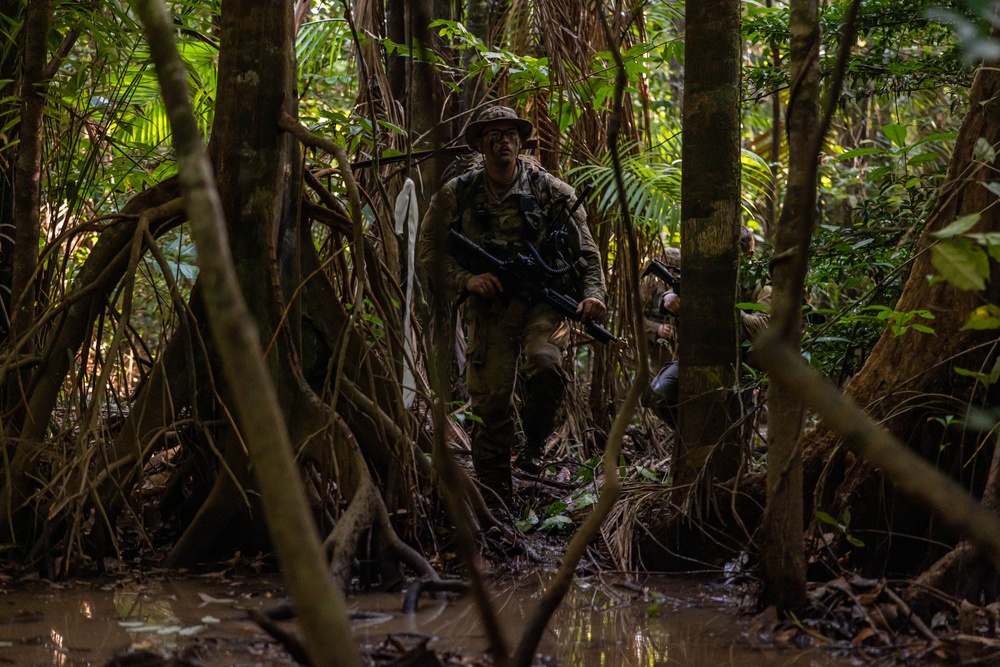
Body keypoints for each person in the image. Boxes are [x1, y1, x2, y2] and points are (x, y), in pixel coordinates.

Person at [417, 106, 608, 513]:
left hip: (541, 300)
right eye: (494, 134)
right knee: (490, 399)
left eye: (510, 134)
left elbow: (586, 251)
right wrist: (466, 280)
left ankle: (535, 444)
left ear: (521, 143)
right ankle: (494, 498)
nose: (503, 141)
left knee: (545, 363)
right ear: (481, 143)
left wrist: (594, 295)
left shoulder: (552, 192)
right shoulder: (459, 192)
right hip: (489, 305)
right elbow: (429, 250)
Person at [648, 226, 771, 427]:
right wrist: (669, 298)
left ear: (749, 254)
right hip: (696, 358)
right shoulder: (707, 271)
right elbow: (676, 293)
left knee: (734, 422)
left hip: (741, 365)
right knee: (655, 396)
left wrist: (724, 304)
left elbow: (763, 326)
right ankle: (687, 434)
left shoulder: (761, 283)